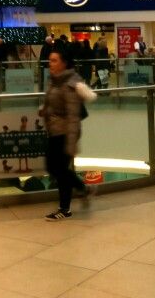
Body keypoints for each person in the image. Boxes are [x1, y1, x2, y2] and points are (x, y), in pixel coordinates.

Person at [40, 48, 97, 221]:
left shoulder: (71, 84)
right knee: (54, 167)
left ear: (64, 63)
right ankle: (83, 189)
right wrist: (45, 111)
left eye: (54, 60)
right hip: (54, 130)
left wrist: (71, 143)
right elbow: (53, 103)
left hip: (65, 132)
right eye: (50, 60)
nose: (51, 64)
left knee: (58, 168)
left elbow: (73, 116)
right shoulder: (54, 80)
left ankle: (65, 208)